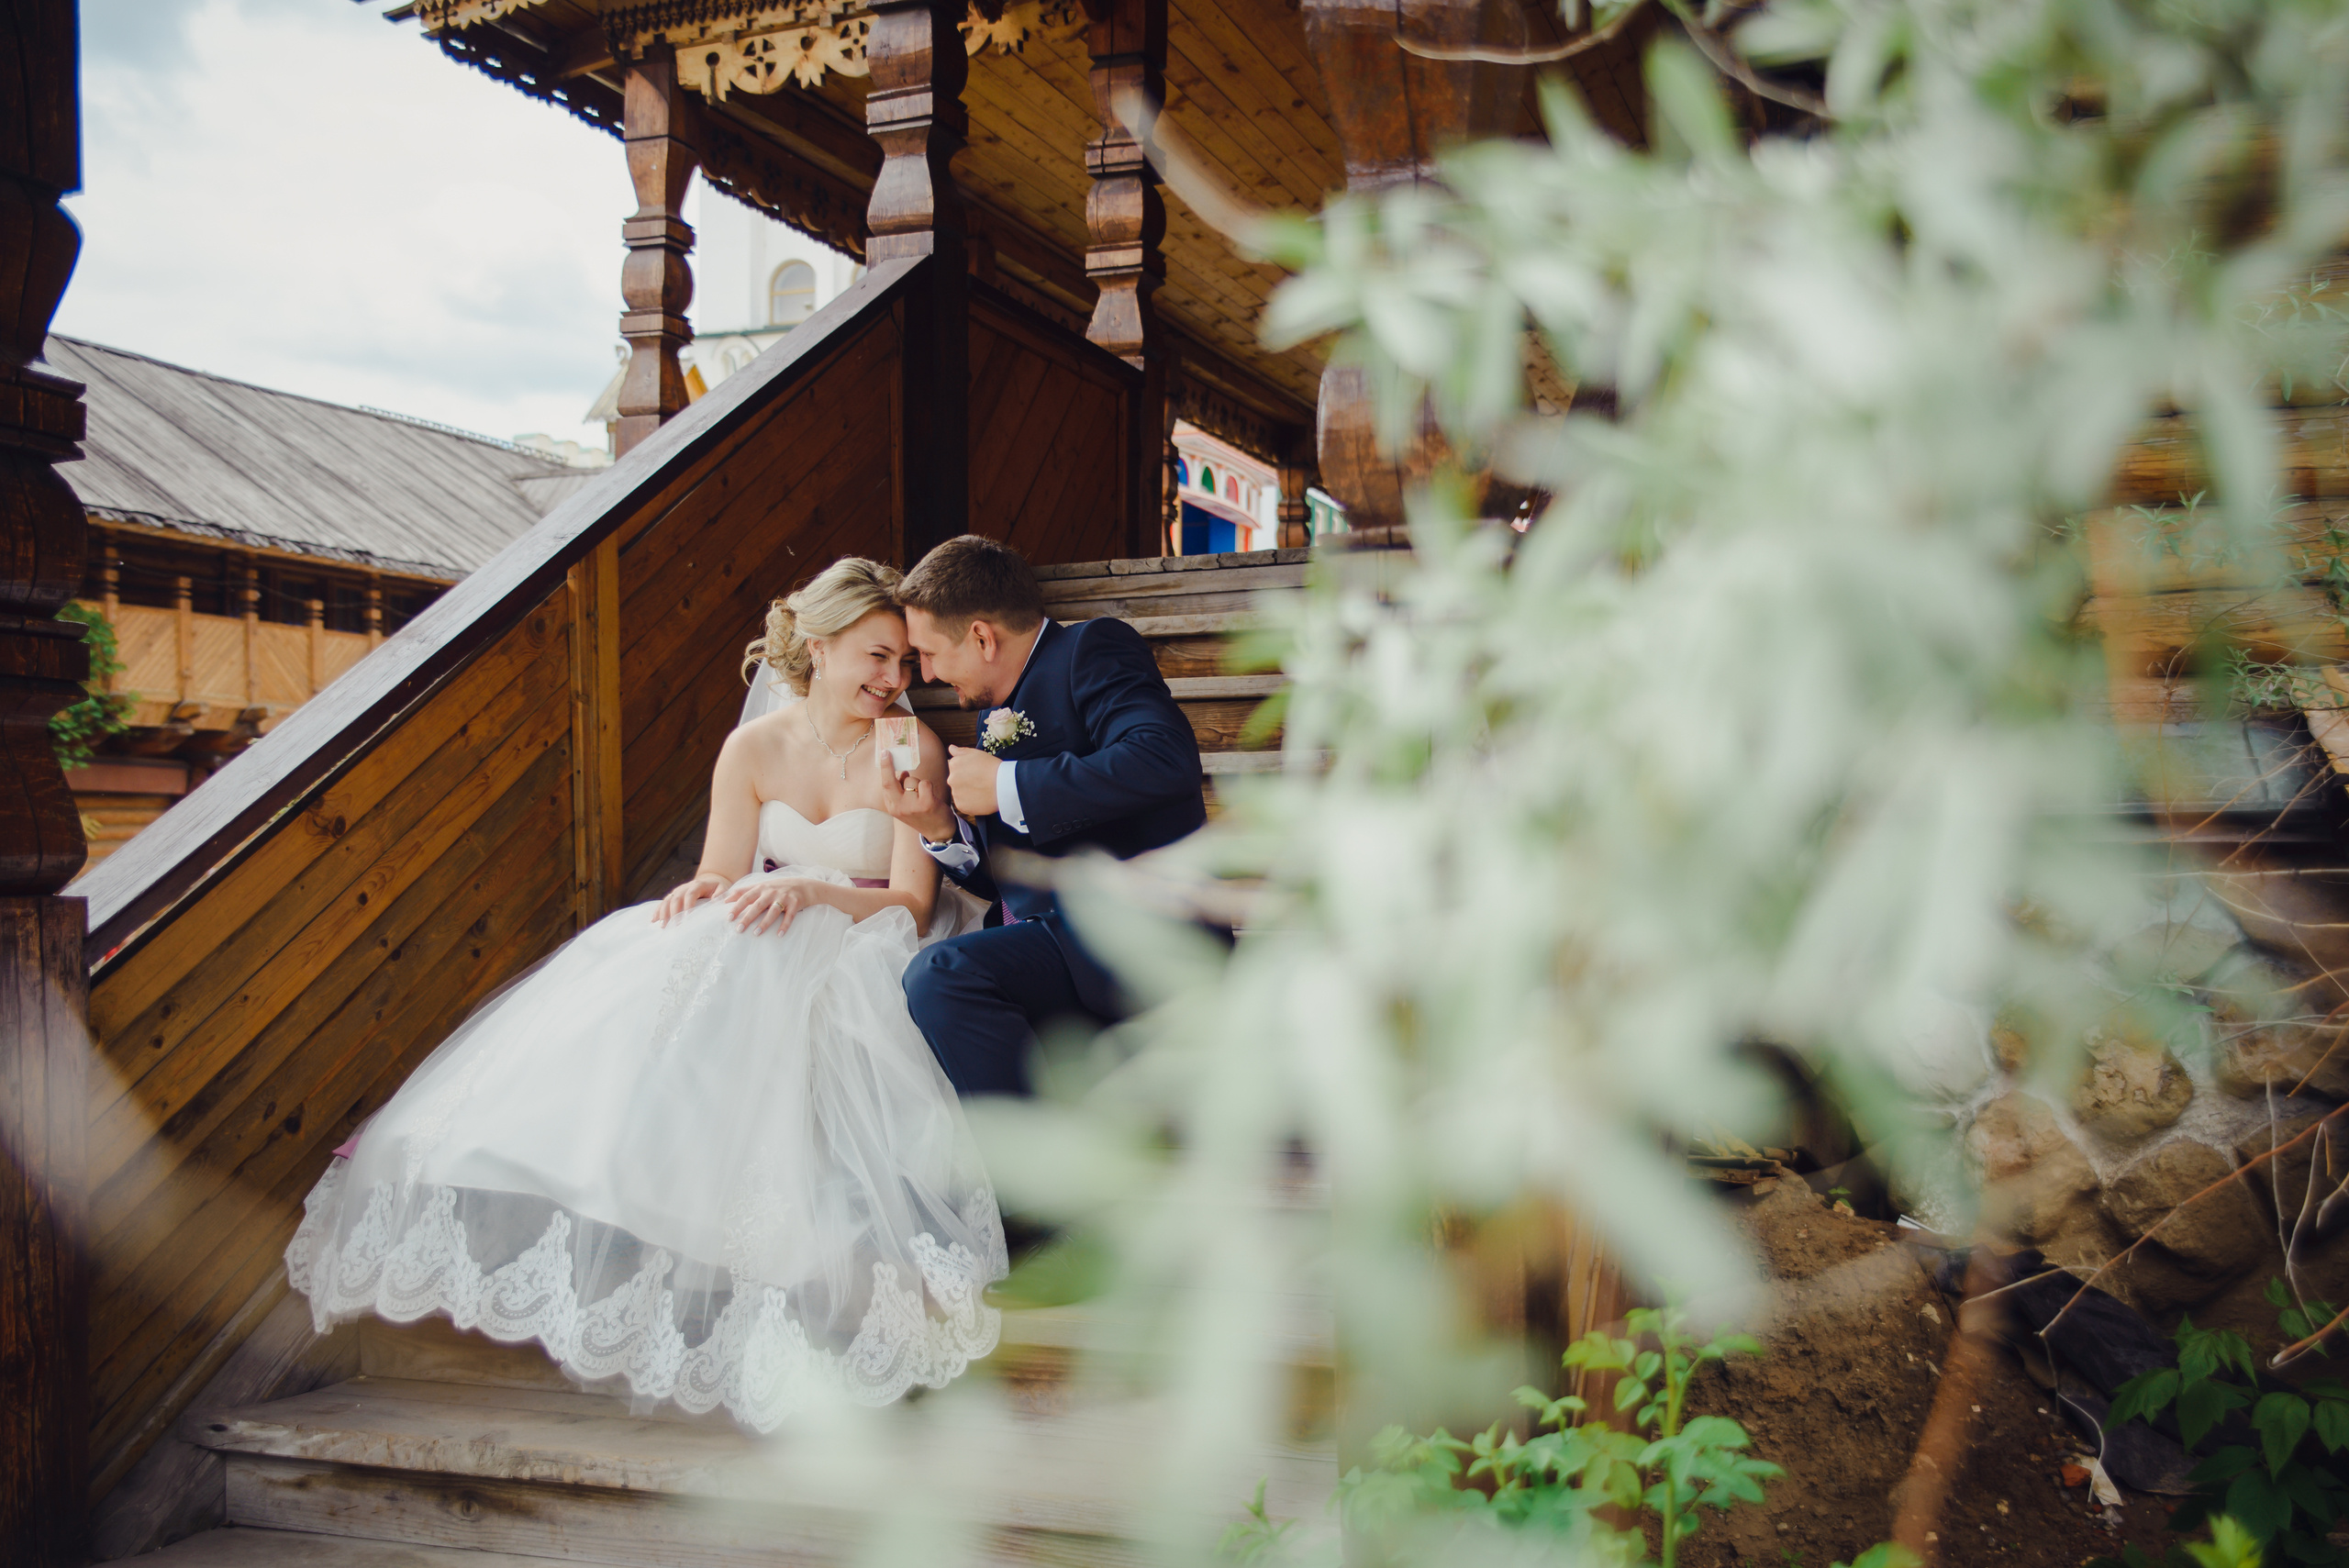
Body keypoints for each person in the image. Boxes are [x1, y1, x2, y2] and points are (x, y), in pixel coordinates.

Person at [284, 558, 1007, 1433]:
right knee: (681, 956)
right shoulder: (752, 748)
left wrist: (815, 891)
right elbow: (721, 868)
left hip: (871, 929)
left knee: (799, 982)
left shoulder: (908, 744)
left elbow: (912, 902)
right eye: (877, 656)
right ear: (819, 646)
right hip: (774, 916)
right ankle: (623, 1191)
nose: (895, 680)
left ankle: (807, 1258)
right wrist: (699, 891)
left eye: (902, 661)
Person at [883, 535, 1207, 1098]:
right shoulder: (993, 715)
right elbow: (1016, 874)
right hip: (1052, 940)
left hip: (1133, 932)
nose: (928, 674)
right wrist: (939, 829)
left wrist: (1008, 783)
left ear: (982, 636)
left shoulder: (1089, 650)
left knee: (942, 974)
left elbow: (1164, 756)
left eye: (930, 652)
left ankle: (1036, 1180)